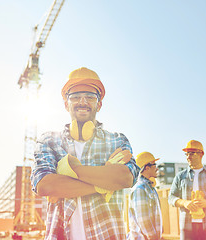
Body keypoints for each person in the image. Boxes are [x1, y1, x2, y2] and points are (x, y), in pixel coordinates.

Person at [31, 67, 140, 240]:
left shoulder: (117, 141)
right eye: (75, 97)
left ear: (99, 104)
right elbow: (45, 186)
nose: (83, 102)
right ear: (66, 104)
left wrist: (68, 169)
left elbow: (125, 178)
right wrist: (104, 183)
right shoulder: (49, 141)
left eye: (90, 97)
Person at [168, 140, 206, 240]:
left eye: (192, 153)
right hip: (187, 226)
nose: (188, 156)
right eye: (187, 153)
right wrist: (184, 202)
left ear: (201, 154)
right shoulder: (180, 176)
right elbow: (171, 197)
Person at [128, 152, 162, 240]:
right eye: (154, 165)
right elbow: (143, 218)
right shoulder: (140, 188)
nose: (157, 168)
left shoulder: (150, 188)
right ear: (147, 167)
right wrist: (153, 237)